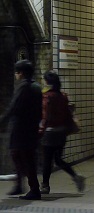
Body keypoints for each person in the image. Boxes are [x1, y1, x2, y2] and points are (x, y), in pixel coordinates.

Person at [0, 59, 42, 200]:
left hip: (21, 129)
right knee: (20, 156)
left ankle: (34, 189)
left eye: (17, 72)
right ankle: (19, 185)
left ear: (21, 73)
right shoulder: (36, 86)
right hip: (31, 128)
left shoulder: (24, 87)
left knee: (23, 157)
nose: (15, 75)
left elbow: (13, 107)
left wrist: (2, 120)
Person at [39, 70, 85, 194]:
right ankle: (75, 176)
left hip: (49, 133)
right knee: (58, 159)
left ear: (47, 82)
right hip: (61, 132)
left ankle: (45, 186)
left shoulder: (47, 97)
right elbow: (67, 114)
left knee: (47, 161)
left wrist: (40, 130)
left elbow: (45, 117)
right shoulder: (63, 96)